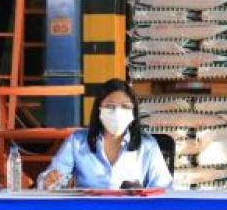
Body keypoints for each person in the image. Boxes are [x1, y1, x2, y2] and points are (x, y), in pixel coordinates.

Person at [38, 79, 173, 190]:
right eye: (110, 106)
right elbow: (49, 180)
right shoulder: (77, 141)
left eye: (125, 107)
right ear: (99, 110)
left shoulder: (148, 145)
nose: (117, 112)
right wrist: (49, 181)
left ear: (133, 113)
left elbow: (164, 189)